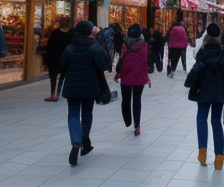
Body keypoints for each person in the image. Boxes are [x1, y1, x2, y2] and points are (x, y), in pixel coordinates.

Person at [60, 20, 109, 166]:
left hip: (72, 86)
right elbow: (105, 64)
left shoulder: (69, 48)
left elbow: (62, 65)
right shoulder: (94, 48)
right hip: (90, 86)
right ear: (89, 32)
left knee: (73, 114)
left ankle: (76, 142)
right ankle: (84, 139)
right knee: (87, 113)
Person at [192, 23, 224, 170]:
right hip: (218, 91)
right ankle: (219, 158)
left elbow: (197, 70)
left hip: (203, 90)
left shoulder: (202, 52)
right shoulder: (221, 52)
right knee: (216, 121)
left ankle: (202, 152)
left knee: (201, 118)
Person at [114, 24, 151, 136]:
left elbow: (122, 60)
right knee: (137, 100)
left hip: (126, 76)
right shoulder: (144, 45)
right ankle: (137, 125)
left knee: (126, 99)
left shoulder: (125, 44)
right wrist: (147, 77)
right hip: (139, 77)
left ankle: (128, 120)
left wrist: (118, 73)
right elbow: (145, 62)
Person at [43, 17, 74, 102]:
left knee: (54, 78)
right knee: (68, 77)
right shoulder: (73, 33)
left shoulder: (55, 33)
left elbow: (49, 48)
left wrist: (47, 60)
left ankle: (55, 94)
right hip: (69, 59)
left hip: (55, 59)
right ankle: (70, 94)